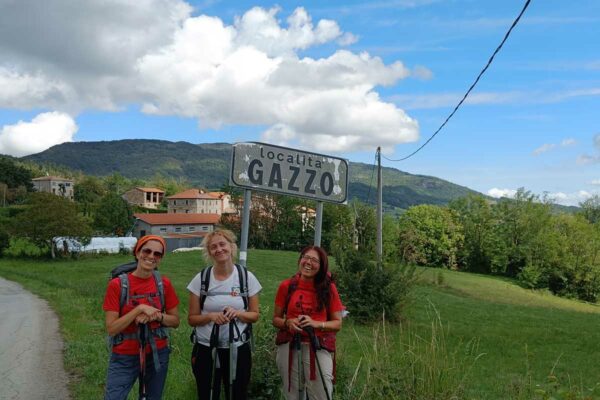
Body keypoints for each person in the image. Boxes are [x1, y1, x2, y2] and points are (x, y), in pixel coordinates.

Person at [187, 229, 262, 400]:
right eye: (213, 247)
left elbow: (254, 315)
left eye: (222, 244)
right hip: (206, 347)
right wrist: (211, 317)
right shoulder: (201, 279)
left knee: (237, 394)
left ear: (231, 246)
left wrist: (237, 314)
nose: (219, 249)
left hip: (237, 347)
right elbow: (192, 319)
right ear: (209, 252)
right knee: (206, 394)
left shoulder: (246, 277)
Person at [103, 235, 180, 400]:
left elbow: (175, 321)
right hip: (124, 356)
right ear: (137, 253)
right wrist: (139, 309)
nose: (151, 256)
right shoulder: (117, 285)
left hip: (157, 354)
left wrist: (156, 316)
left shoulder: (164, 284)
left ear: (160, 259)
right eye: (147, 251)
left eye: (157, 254)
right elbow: (111, 328)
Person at [272, 246, 344, 400]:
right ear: (300, 259)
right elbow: (276, 319)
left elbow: (337, 324)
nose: (308, 262)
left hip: (318, 346)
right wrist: (288, 322)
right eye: (306, 257)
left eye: (314, 260)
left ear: (322, 266)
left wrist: (316, 324)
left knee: (321, 395)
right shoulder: (287, 286)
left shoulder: (328, 288)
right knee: (292, 395)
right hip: (290, 346)